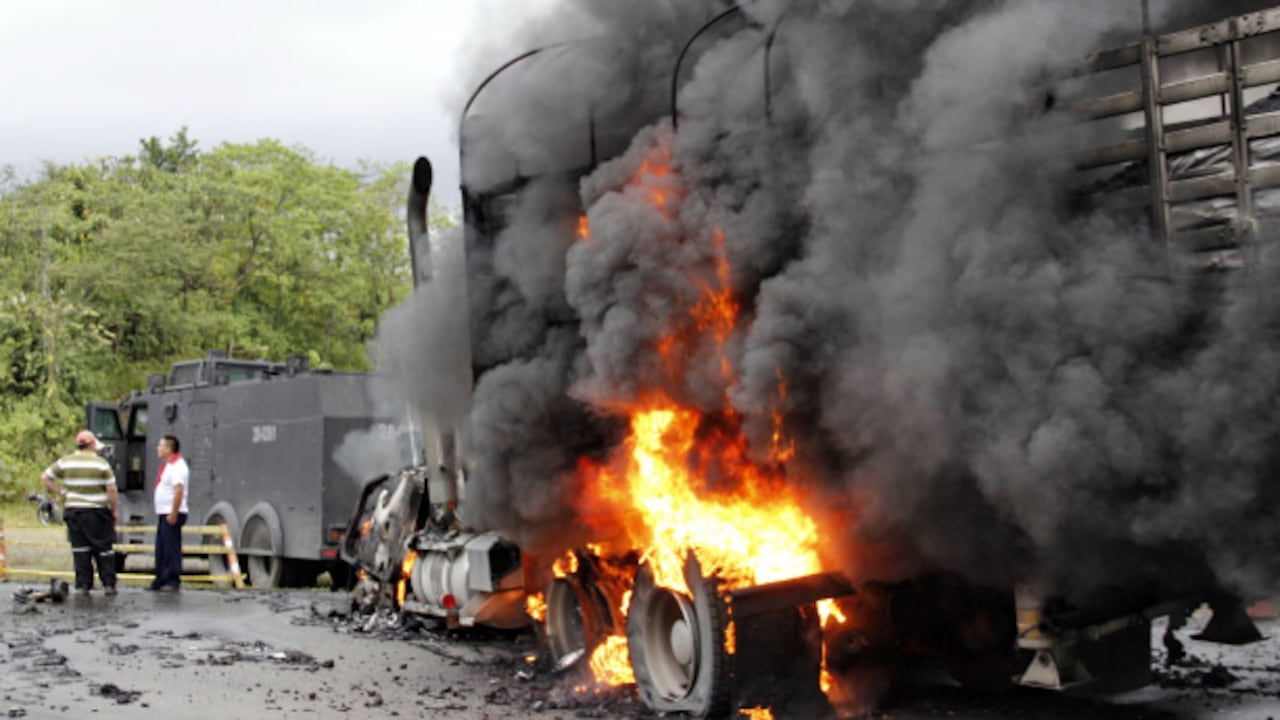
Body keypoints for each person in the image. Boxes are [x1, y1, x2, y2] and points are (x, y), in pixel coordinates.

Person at [41, 430, 119, 596]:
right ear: (91, 445)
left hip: (74, 510)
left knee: (80, 549)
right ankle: (109, 585)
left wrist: (61, 493)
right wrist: (114, 509)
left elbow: (46, 477)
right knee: (103, 548)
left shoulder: (66, 462)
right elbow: (111, 489)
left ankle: (84, 584)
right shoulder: (101, 464)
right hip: (97, 511)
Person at [150, 434, 189, 592]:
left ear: (169, 448)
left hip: (172, 512)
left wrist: (174, 512)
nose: (158, 448)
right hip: (163, 512)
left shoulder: (178, 466)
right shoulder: (168, 465)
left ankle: (172, 579)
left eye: (161, 446)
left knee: (171, 547)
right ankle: (160, 577)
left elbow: (178, 490)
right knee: (161, 547)